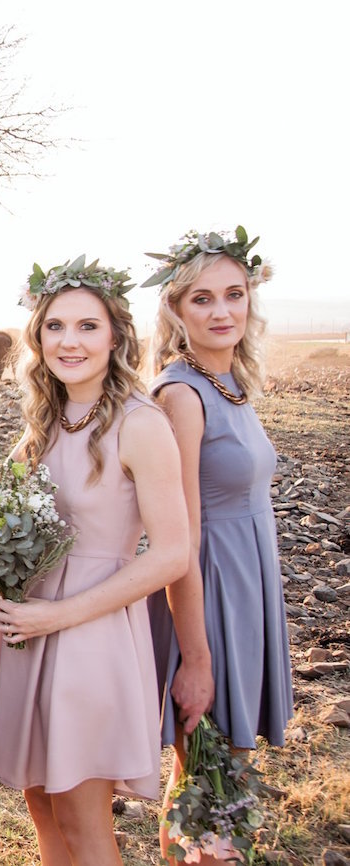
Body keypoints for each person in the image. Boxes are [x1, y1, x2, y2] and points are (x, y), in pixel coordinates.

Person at [0, 257, 189, 866]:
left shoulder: (141, 423)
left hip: (91, 634)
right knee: (43, 813)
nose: (69, 341)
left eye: (87, 327)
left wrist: (60, 615)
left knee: (82, 819)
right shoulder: (44, 424)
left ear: (117, 336)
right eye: (54, 327)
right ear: (37, 336)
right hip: (30, 629)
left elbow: (174, 554)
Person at [143, 228, 291, 864]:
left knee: (204, 783)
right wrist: (196, 658)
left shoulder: (231, 380)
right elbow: (181, 538)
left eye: (235, 294)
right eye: (202, 299)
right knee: (209, 786)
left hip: (250, 584)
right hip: (209, 594)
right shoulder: (183, 394)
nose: (223, 310)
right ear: (175, 310)